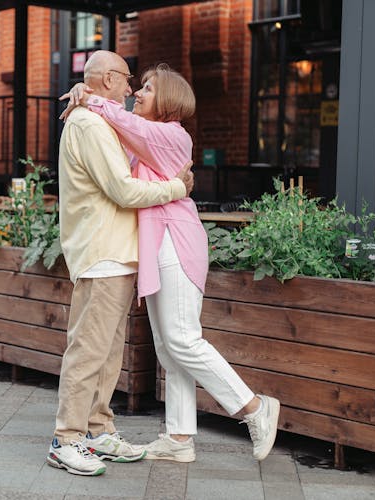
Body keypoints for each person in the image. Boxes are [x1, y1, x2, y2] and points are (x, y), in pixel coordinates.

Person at [60, 62, 280, 464]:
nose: (137, 92)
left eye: (147, 88)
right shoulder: (138, 133)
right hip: (153, 245)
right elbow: (117, 123)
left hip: (176, 242)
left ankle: (252, 407)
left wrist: (89, 94)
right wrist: (83, 88)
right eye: (136, 84)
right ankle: (179, 438)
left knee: (182, 339)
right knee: (168, 345)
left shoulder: (171, 136)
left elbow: (120, 119)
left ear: (169, 101)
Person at [48, 51, 196, 477]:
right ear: (110, 79)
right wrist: (176, 187)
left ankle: (96, 430)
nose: (132, 89)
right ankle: (67, 438)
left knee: (109, 353)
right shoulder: (88, 124)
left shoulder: (100, 116)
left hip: (115, 253)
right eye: (129, 80)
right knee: (88, 351)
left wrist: (86, 93)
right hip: (102, 253)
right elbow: (123, 190)